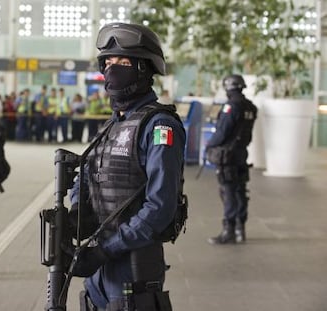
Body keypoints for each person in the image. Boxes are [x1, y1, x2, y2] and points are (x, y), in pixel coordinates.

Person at [68, 22, 186, 310]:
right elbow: (86, 175)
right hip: (99, 264)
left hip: (133, 266)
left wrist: (105, 251)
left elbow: (160, 206)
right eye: (107, 62)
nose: (112, 68)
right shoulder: (113, 124)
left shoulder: (159, 126)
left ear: (144, 69)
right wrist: (75, 214)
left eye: (121, 61)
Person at [206, 74, 258, 244]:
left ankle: (228, 231)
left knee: (228, 192)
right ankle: (240, 229)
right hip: (242, 153)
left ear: (228, 87)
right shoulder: (251, 107)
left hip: (227, 156)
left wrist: (209, 145)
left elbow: (222, 132)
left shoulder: (231, 107)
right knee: (241, 190)